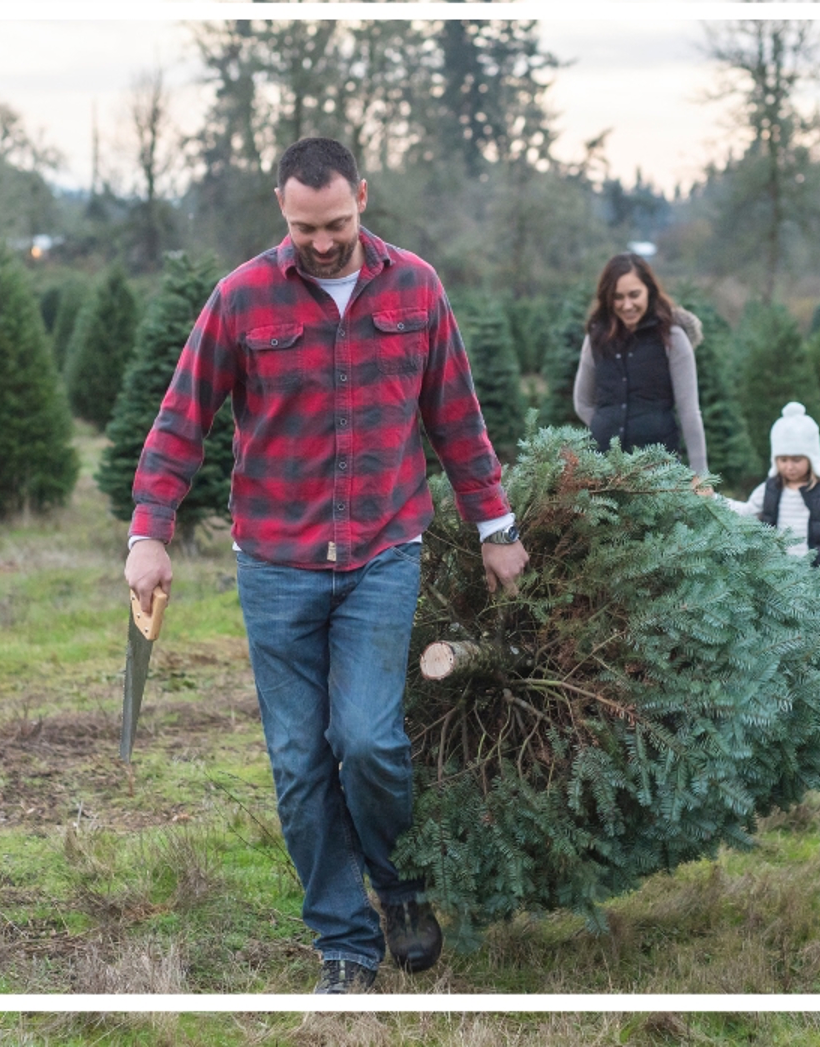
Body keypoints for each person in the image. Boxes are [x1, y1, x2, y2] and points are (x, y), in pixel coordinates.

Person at [122, 136, 529, 994]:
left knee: (371, 740)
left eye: (337, 222)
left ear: (363, 200)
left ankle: (402, 889)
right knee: (300, 762)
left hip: (384, 551)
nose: (323, 240)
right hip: (276, 563)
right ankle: (345, 943)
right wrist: (149, 533)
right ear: (282, 207)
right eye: (307, 226)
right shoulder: (240, 298)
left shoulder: (415, 288)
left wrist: (495, 525)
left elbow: (457, 415)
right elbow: (180, 421)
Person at [571, 253, 707, 474]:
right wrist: (606, 426)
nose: (627, 305)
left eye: (634, 295)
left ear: (649, 291)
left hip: (659, 471)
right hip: (604, 471)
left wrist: (700, 474)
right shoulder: (595, 339)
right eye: (618, 297)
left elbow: (689, 411)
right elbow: (582, 403)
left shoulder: (672, 338)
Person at [736, 402, 820, 592]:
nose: (789, 466)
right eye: (783, 460)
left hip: (818, 579)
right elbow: (747, 511)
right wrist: (713, 499)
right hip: (777, 579)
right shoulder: (769, 488)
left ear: (811, 458)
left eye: (796, 460)